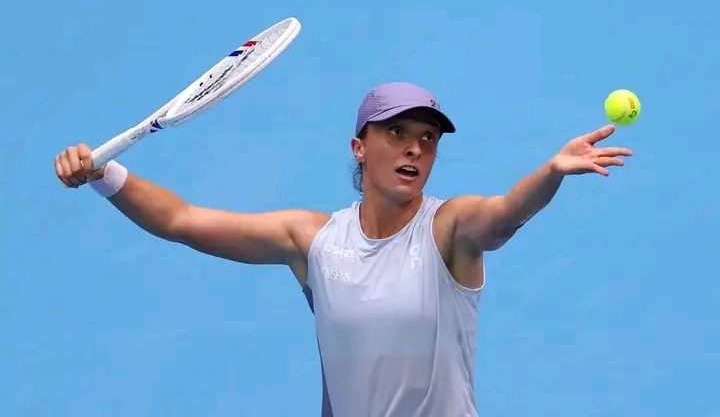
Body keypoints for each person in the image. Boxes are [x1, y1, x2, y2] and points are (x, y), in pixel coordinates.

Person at [54, 82, 632, 417]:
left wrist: (551, 172)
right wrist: (105, 175)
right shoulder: (312, 241)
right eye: (396, 133)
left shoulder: (449, 229)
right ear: (360, 147)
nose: (414, 149)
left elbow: (504, 215)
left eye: (427, 138)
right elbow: (182, 220)